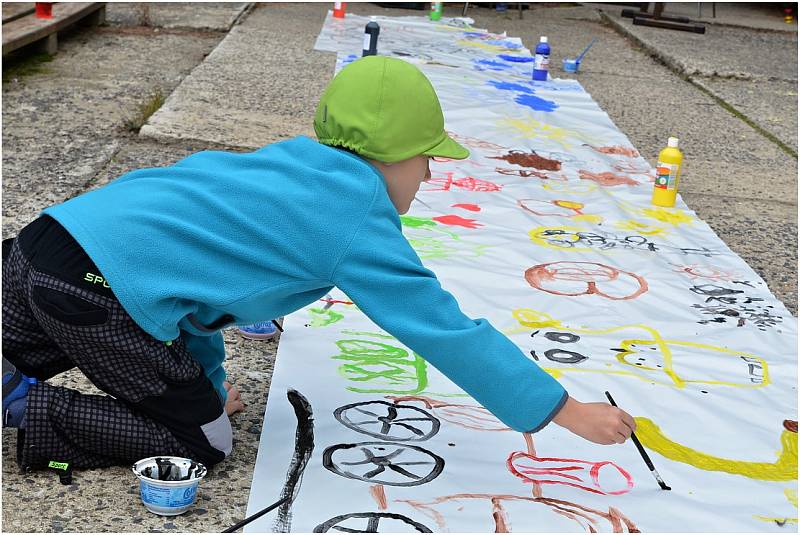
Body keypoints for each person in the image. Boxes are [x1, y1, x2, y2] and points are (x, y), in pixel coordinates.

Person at [2, 56, 634, 473]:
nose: (431, 172)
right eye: (427, 158)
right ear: (394, 159)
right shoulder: (356, 215)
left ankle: (12, 372)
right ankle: (30, 409)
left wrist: (213, 391)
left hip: (43, 245)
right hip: (92, 294)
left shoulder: (293, 165)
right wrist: (563, 410)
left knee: (32, 335)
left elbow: (191, 308)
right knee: (201, 444)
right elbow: (438, 325)